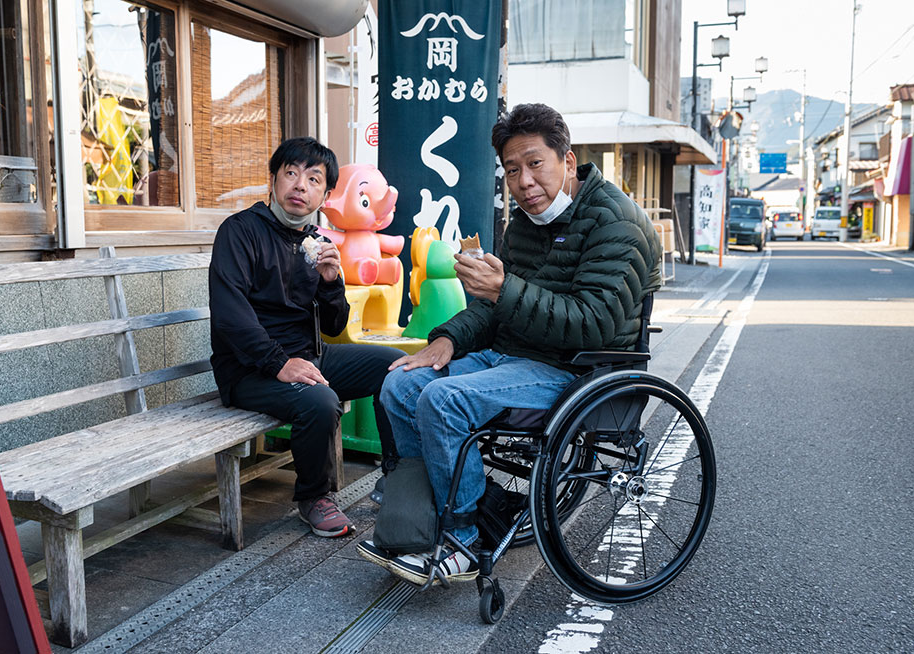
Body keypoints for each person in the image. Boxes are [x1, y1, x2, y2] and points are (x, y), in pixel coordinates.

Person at [357, 103, 663, 583]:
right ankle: (420, 520)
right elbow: (494, 305)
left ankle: (462, 537)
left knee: (443, 399)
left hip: (576, 368)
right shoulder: (524, 222)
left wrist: (504, 290)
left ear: (567, 159)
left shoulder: (616, 222)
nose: (524, 182)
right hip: (511, 357)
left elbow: (594, 324)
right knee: (401, 385)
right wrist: (448, 339)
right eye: (512, 170)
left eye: (535, 163)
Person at [209, 136, 402, 538]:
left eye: (314, 179)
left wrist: (331, 282)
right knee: (320, 401)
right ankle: (314, 497)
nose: (300, 185)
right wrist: (279, 363)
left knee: (397, 368)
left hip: (309, 356)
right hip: (249, 370)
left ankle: (399, 478)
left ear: (325, 195)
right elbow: (230, 315)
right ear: (273, 180)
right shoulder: (240, 232)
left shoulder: (318, 241)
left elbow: (334, 325)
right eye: (291, 173)